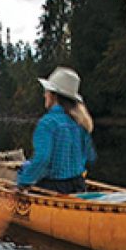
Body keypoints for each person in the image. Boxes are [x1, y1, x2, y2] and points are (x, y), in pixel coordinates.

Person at [17, 66, 96, 194]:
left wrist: (23, 182)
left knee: (24, 172)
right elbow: (89, 157)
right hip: (78, 186)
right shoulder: (80, 122)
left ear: (54, 96)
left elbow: (42, 160)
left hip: (53, 188)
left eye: (46, 91)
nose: (44, 95)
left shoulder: (48, 123)